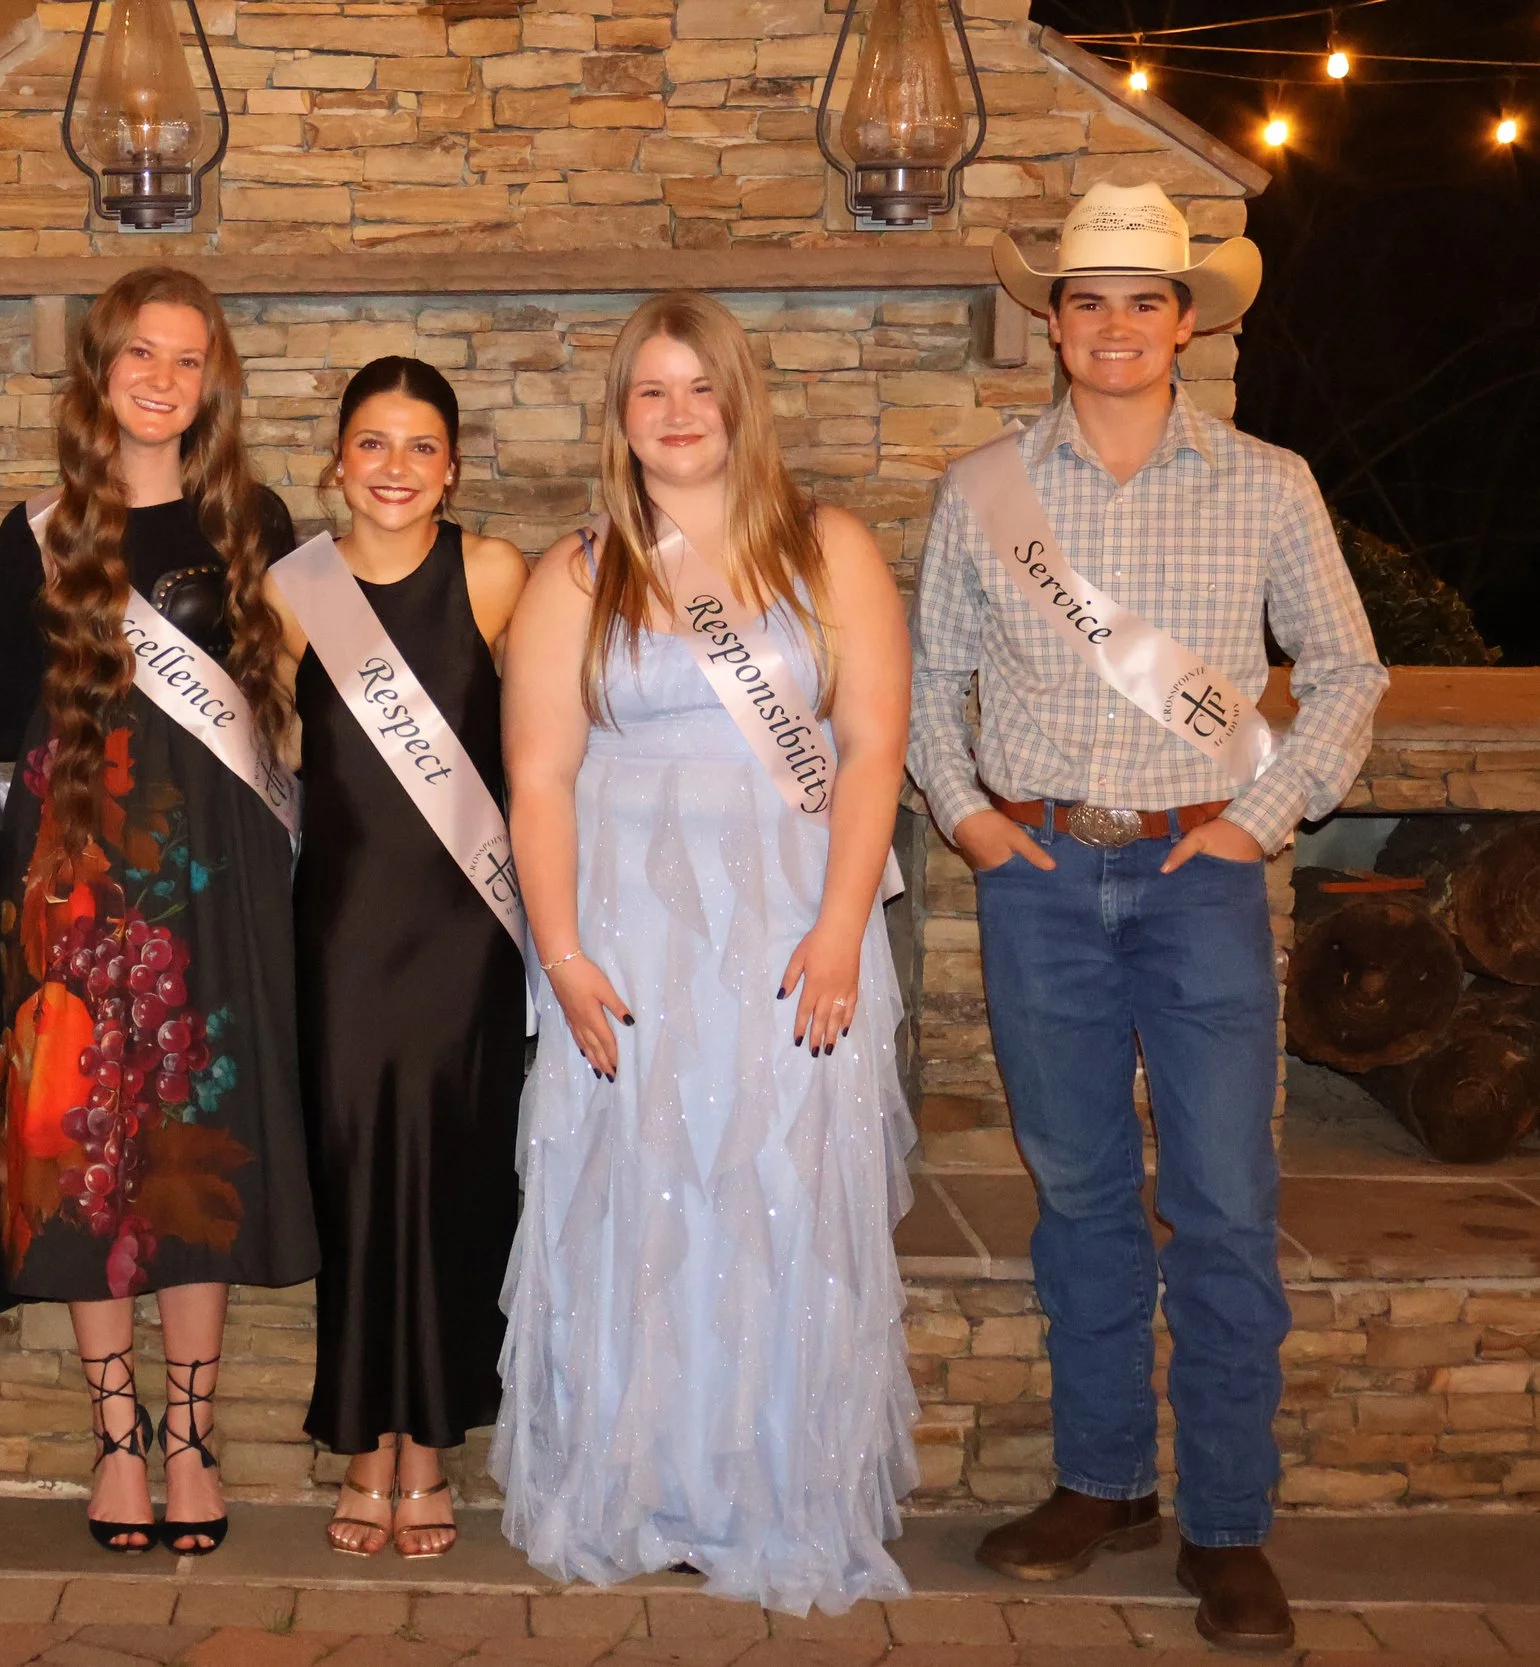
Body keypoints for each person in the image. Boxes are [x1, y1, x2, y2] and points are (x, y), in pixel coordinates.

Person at [910, 182, 1386, 1652]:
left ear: (1189, 321)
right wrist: (977, 822)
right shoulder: (984, 487)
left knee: (1228, 1206)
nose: (1114, 326)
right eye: (1087, 298)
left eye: (1144, 299)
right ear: (1050, 320)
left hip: (1202, 883)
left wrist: (1261, 813)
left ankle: (1228, 1523)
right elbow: (934, 690)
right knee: (1082, 1197)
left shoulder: (1268, 483)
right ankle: (1103, 1478)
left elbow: (1350, 672)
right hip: (1043, 880)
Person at [491, 290, 918, 1614]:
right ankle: (637, 1479)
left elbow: (873, 752)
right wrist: (560, 953)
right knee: (635, 1193)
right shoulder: (580, 570)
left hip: (793, 930)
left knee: (778, 1194)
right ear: (620, 416)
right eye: (650, 392)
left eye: (699, 387)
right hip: (627, 935)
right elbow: (540, 775)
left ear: (739, 399)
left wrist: (845, 921)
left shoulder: (827, 546)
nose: (678, 415)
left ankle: (772, 1490)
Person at [0, 266, 314, 1557]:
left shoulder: (257, 516)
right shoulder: (36, 524)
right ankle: (113, 1430)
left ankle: (192, 1432)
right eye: (140, 354)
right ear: (99, 369)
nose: (162, 379)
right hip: (78, 865)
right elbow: (9, 708)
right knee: (88, 1145)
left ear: (212, 378)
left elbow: (291, 701)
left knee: (196, 1143)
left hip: (216, 869)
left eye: (187, 358)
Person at [263, 357, 528, 1559]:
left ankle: (430, 1449)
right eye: (373, 442)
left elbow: (542, 746)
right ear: (337, 458)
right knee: (356, 1178)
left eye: (422, 446)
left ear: (454, 466)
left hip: (465, 929)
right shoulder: (290, 588)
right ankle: (365, 1437)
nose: (396, 468)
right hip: (342, 929)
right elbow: (271, 759)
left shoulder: (492, 571)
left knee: (453, 1181)